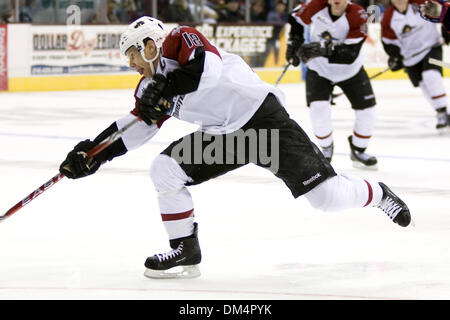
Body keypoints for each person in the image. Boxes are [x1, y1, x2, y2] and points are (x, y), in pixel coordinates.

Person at [59, 16, 411, 279]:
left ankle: (377, 194)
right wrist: (92, 154)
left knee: (327, 198)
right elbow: (135, 128)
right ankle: (185, 248)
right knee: (164, 169)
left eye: (132, 55)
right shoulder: (148, 88)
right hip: (227, 139)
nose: (131, 65)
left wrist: (164, 88)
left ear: (150, 45)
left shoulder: (180, 39)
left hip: (264, 122)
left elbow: (206, 71)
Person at [286, 0, 379, 169]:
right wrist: (294, 42)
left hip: (351, 71)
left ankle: (358, 149)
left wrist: (321, 49)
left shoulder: (358, 15)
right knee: (318, 110)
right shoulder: (315, 6)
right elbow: (295, 19)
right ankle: (326, 148)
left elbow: (350, 54)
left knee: (368, 112)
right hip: (320, 69)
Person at [382, 0, 450, 131]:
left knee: (430, 76)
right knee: (423, 85)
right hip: (410, 58)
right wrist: (395, 56)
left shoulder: (420, 3)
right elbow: (388, 42)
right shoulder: (388, 17)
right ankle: (441, 112)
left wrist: (446, 29)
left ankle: (443, 111)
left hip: (431, 48)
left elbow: (443, 11)